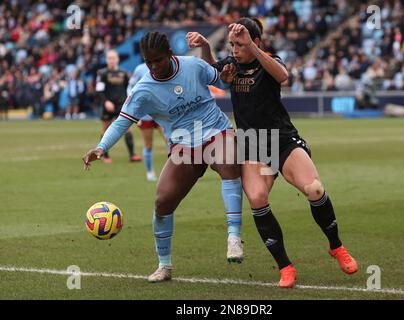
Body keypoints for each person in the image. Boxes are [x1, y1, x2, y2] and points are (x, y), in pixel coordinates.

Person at [188, 18, 358, 288]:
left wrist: (252, 49)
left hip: (282, 140)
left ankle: (336, 246)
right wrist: (207, 46)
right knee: (256, 198)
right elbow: (213, 72)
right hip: (253, 144)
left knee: (314, 189)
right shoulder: (231, 66)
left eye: (240, 44)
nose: (235, 49)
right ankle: (285, 266)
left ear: (256, 43)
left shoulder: (268, 61)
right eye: (232, 44)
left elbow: (283, 76)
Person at [83, 31, 244, 282]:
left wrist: (224, 77)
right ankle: (164, 266)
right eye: (148, 62)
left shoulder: (192, 65)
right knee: (162, 202)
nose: (154, 66)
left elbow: (221, 81)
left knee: (229, 164)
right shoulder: (144, 90)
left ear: (170, 54)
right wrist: (101, 147)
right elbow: (122, 122)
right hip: (184, 145)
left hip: (215, 131)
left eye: (158, 60)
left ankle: (234, 238)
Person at [95, 50, 141, 163]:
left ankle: (132, 155)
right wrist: (106, 102)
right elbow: (99, 91)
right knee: (106, 129)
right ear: (106, 60)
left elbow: (129, 90)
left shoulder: (124, 73)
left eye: (113, 58)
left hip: (121, 105)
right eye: (109, 58)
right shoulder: (102, 73)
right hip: (108, 105)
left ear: (117, 59)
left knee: (127, 129)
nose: (111, 60)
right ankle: (105, 156)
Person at [127, 63, 166, 182]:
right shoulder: (140, 69)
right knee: (148, 144)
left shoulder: (164, 66)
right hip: (145, 115)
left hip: (161, 112)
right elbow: (130, 87)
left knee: (171, 141)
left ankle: (175, 172)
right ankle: (150, 172)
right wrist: (133, 100)